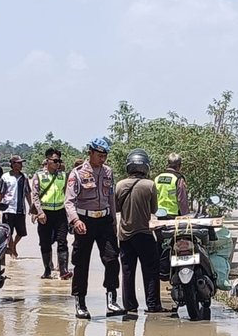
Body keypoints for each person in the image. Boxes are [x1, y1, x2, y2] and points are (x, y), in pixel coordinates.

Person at [64, 137, 125, 320]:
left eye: (105, 156)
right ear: (90, 153)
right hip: (84, 221)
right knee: (81, 263)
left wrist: (114, 222)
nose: (102, 159)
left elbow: (111, 199)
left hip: (105, 220)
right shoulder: (77, 174)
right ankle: (80, 302)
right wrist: (75, 221)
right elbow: (69, 201)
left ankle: (112, 300)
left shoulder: (108, 172)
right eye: (99, 155)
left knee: (112, 258)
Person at [116, 148, 166, 313]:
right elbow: (154, 209)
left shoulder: (120, 185)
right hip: (144, 233)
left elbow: (115, 208)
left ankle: (130, 306)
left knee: (127, 272)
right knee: (151, 270)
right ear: (146, 166)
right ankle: (153, 305)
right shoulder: (150, 185)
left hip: (124, 235)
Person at [31, 148, 72, 279]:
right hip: (45, 214)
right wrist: (39, 212)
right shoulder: (39, 176)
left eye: (59, 161)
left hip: (60, 213)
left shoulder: (63, 176)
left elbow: (68, 195)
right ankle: (47, 270)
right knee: (45, 242)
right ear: (47, 161)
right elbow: (35, 196)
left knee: (62, 241)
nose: (57, 163)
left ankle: (63, 270)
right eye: (55, 161)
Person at [0, 155, 31, 259]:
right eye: (19, 163)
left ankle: (13, 245)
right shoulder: (5, 177)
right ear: (13, 164)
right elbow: (1, 192)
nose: (21, 165)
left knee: (21, 232)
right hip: (8, 208)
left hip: (20, 208)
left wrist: (31, 206)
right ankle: (12, 250)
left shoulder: (24, 177)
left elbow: (27, 193)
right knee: (8, 232)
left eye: (21, 163)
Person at [154, 153, 189, 218]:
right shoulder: (178, 179)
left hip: (159, 214)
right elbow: (182, 199)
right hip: (173, 215)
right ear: (179, 165)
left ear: (168, 164)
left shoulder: (157, 178)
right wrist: (185, 215)